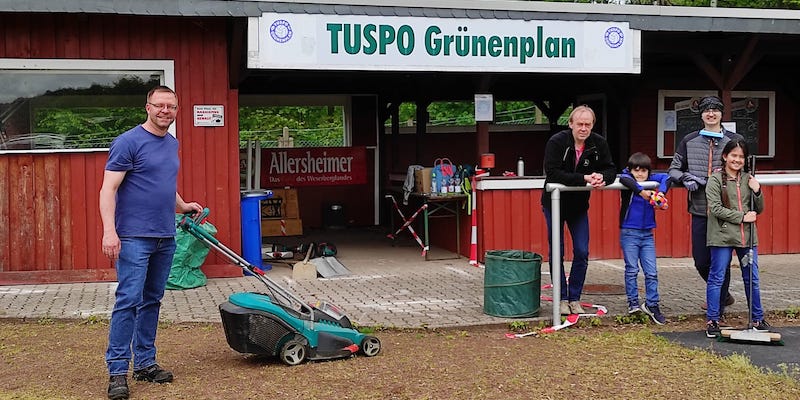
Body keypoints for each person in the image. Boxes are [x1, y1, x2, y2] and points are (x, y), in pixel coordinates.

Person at [99, 86, 203, 400]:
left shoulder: (171, 143)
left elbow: (162, 185)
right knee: (128, 301)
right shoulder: (128, 142)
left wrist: (183, 206)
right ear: (148, 107)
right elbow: (108, 189)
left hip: (165, 235)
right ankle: (118, 371)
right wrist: (109, 231)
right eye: (159, 105)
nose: (165, 111)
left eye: (171, 106)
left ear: (176, 110)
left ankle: (144, 363)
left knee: (152, 301)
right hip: (133, 237)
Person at [668, 95, 743, 316]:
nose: (711, 113)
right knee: (701, 261)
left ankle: (717, 306)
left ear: (721, 113)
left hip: (727, 212)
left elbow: (746, 170)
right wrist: (684, 178)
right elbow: (673, 169)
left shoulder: (734, 139)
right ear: (701, 114)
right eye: (706, 110)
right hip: (700, 209)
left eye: (715, 110)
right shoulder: (689, 140)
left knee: (722, 262)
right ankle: (723, 294)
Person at [541, 105, 616, 315]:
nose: (583, 128)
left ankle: (574, 298)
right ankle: (561, 298)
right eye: (580, 124)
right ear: (571, 124)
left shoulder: (598, 142)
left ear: (592, 125)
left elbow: (610, 167)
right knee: (557, 250)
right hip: (554, 203)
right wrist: (584, 178)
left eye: (588, 124)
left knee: (582, 252)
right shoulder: (557, 142)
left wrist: (603, 177)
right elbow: (553, 173)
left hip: (579, 206)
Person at [704, 138, 768, 338]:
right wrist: (742, 217)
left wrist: (757, 191)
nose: (737, 160)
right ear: (725, 156)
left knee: (752, 279)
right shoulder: (714, 180)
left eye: (741, 156)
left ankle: (757, 318)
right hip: (722, 237)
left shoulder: (749, 178)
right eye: (733, 155)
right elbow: (715, 208)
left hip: (746, 238)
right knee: (717, 278)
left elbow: (758, 209)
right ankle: (713, 319)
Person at [618, 152, 671, 325]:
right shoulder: (629, 181)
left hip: (647, 234)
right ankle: (633, 302)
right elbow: (624, 179)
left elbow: (667, 177)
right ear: (631, 170)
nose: (640, 174)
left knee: (652, 272)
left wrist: (661, 193)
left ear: (649, 171)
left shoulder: (653, 180)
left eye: (644, 171)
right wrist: (641, 192)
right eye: (636, 170)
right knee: (632, 269)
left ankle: (652, 304)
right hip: (629, 232)